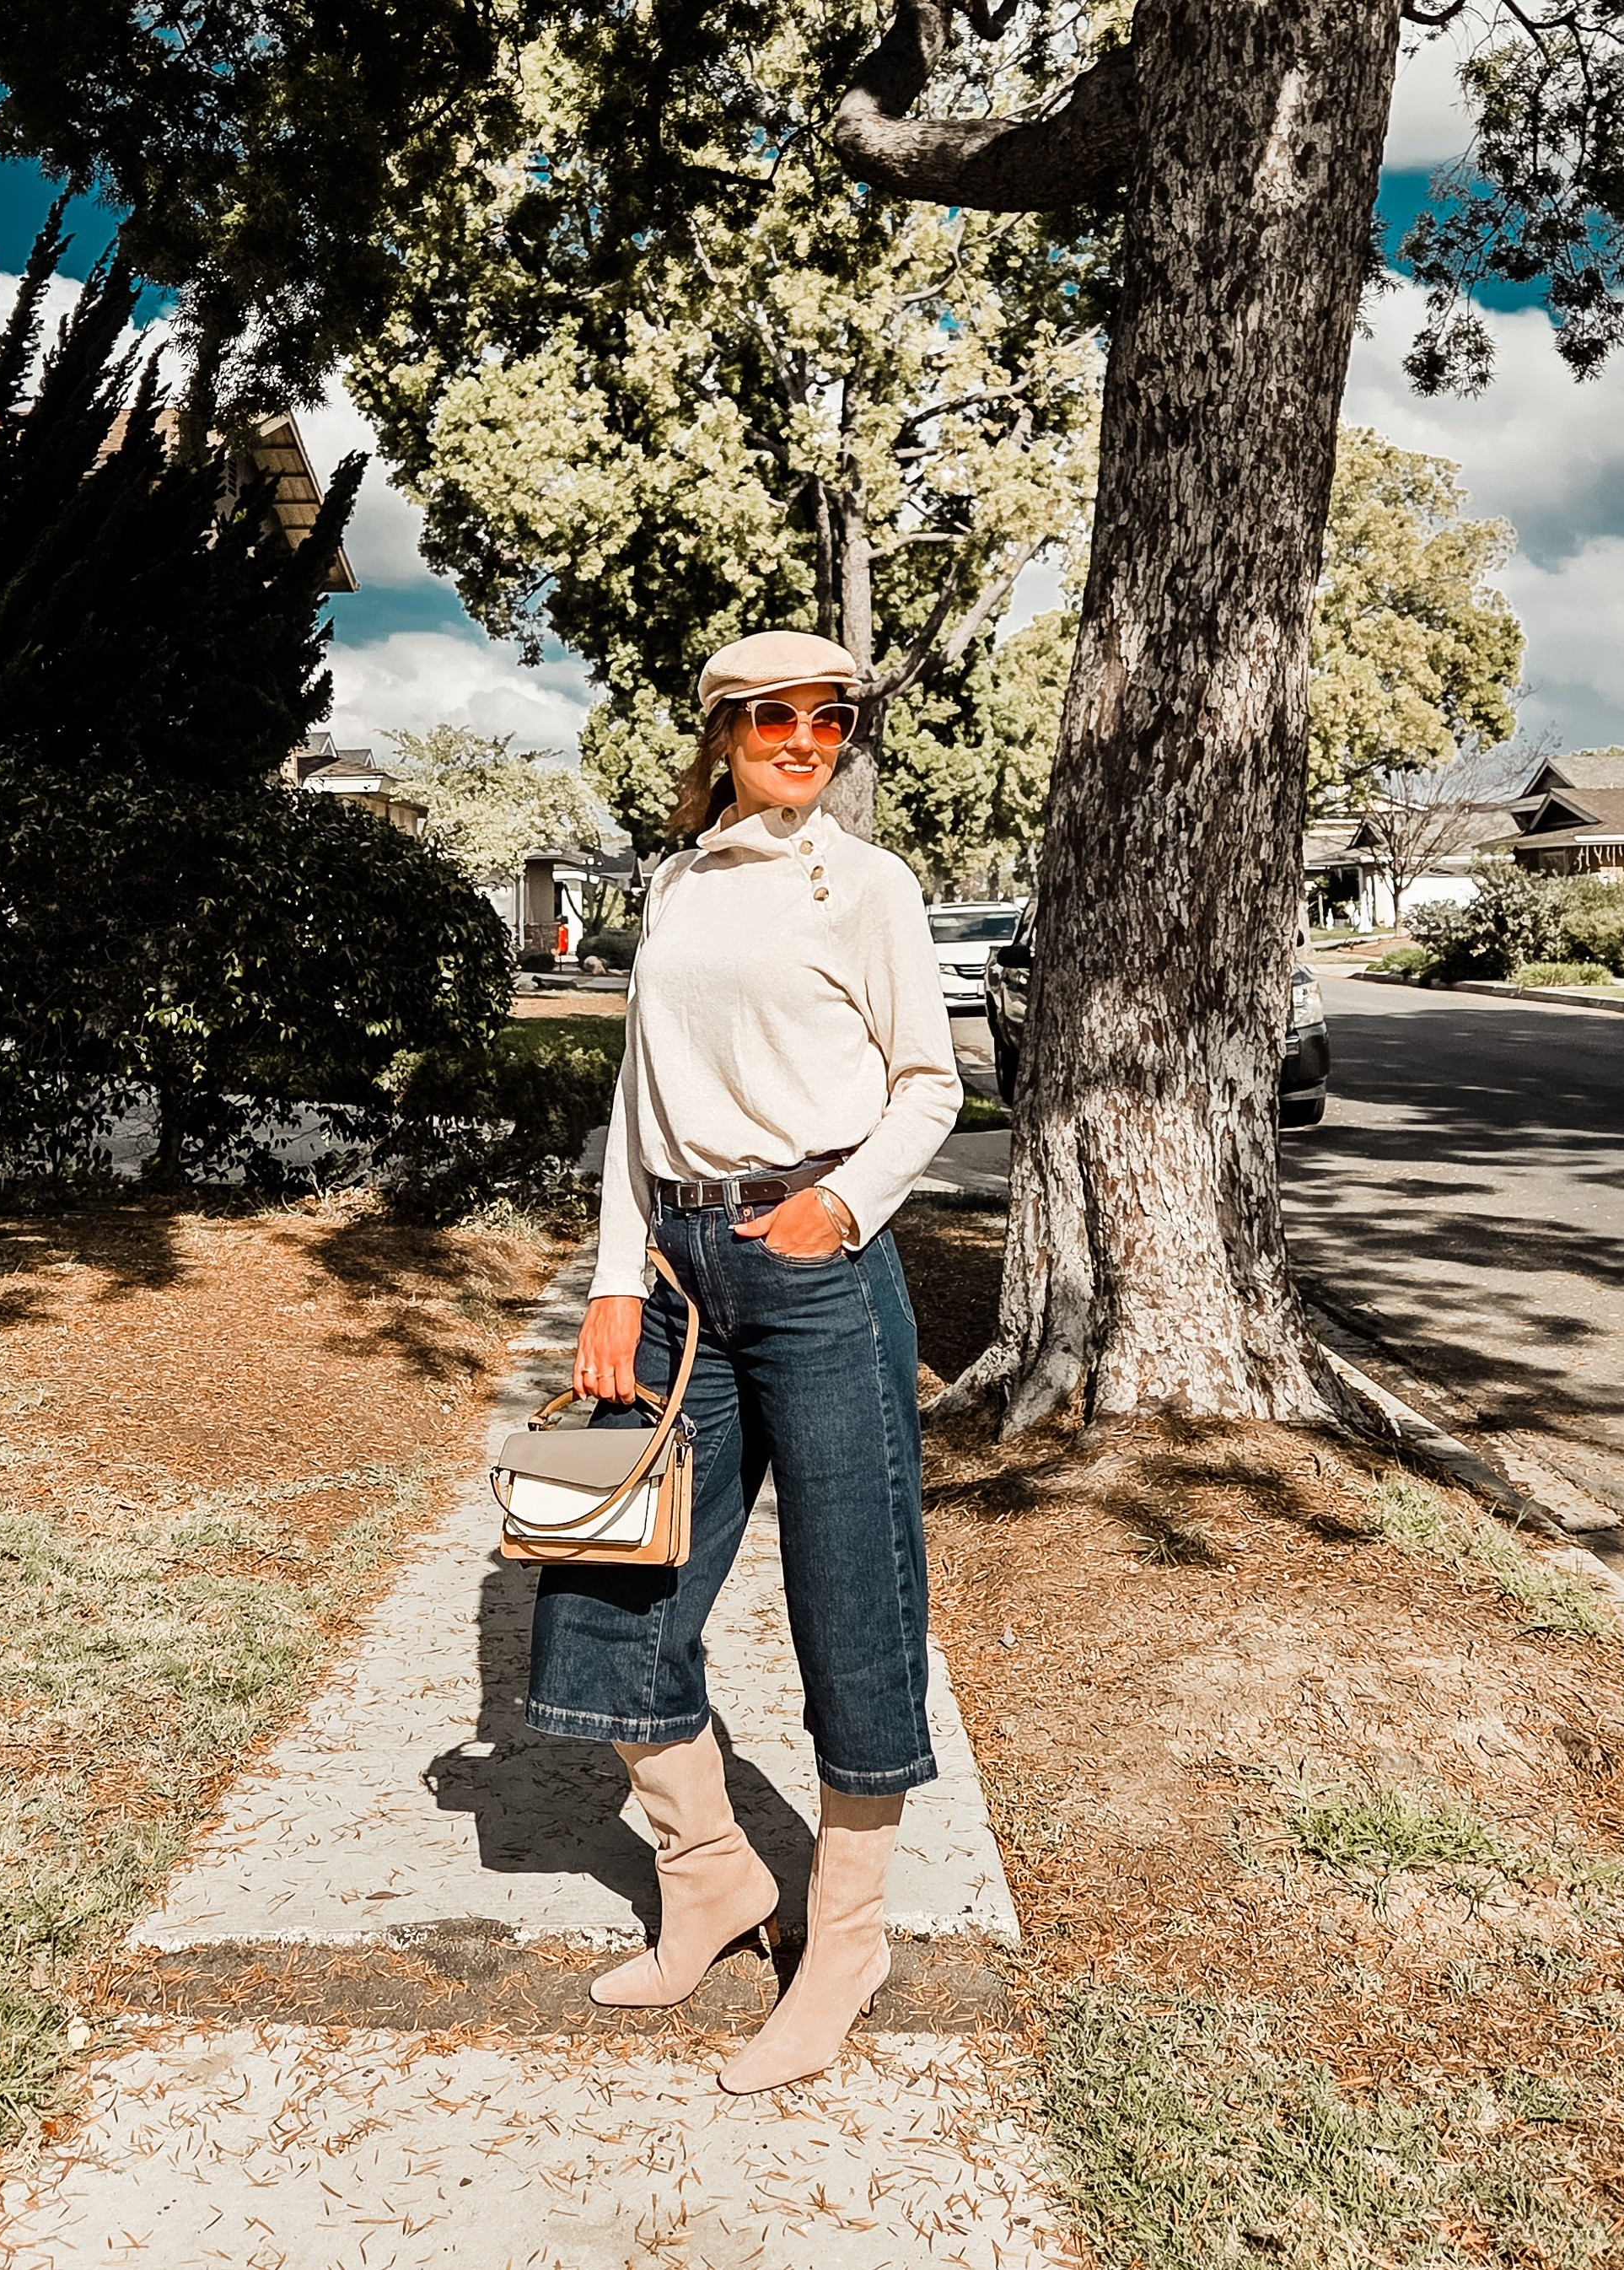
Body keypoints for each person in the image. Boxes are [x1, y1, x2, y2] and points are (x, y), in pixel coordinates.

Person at [524, 628, 961, 2094]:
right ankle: (711, 1873)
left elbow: (930, 1083)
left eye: (830, 720)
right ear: (722, 731)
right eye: (776, 717)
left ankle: (846, 1942)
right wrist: (611, 1279)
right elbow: (637, 1097)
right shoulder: (678, 885)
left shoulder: (869, 885)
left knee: (854, 1599)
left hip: (820, 1267)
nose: (805, 740)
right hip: (677, 1277)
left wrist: (844, 1203)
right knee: (608, 1582)